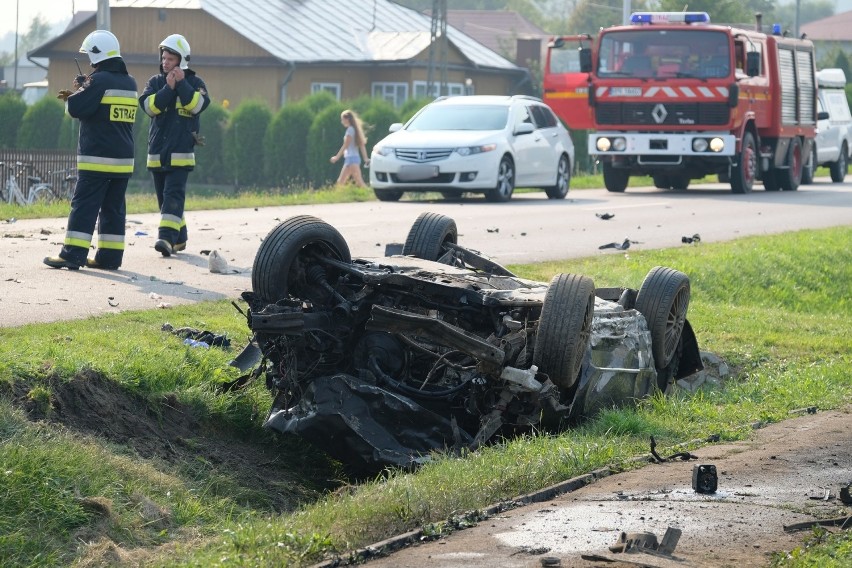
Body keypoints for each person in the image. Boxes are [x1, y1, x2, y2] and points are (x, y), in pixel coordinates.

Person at [43, 30, 137, 271]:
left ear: (98, 54)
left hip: (97, 159)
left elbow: (77, 108)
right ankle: (110, 258)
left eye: (91, 56)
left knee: (84, 206)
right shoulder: (129, 82)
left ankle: (72, 255)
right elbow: (105, 107)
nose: (90, 62)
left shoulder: (99, 80)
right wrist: (87, 87)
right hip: (123, 161)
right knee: (113, 210)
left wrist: (75, 94)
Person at [139, 34, 210, 257]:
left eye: (170, 59)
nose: (165, 62)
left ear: (181, 61)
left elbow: (197, 106)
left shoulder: (196, 84)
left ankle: (166, 239)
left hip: (181, 156)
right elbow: (149, 107)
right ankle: (180, 239)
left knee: (173, 196)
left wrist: (181, 85)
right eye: (163, 58)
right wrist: (168, 89)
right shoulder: (155, 82)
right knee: (165, 201)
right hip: (157, 155)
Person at [330, 109, 370, 187]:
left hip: (352, 159)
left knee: (359, 182)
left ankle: (370, 194)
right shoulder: (354, 130)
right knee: (341, 182)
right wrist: (365, 158)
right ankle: (339, 197)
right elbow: (362, 145)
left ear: (347, 119)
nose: (342, 122)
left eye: (342, 119)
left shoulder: (350, 130)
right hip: (351, 159)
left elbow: (345, 145)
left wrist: (336, 157)